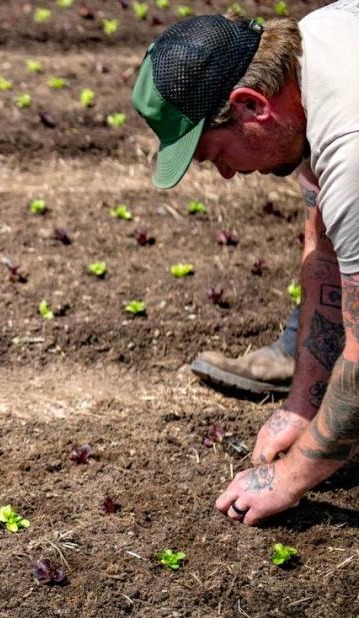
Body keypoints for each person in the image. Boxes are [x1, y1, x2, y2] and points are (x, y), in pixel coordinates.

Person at [132, 4, 359, 525]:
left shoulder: (349, 149)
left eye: (216, 155)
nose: (229, 175)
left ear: (251, 105)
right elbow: (323, 253)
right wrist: (301, 405)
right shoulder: (311, 54)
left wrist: (291, 477)